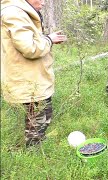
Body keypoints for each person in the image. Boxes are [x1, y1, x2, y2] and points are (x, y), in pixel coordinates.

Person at [1, 0, 67, 147]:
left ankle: (39, 145)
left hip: (35, 77)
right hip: (28, 80)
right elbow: (30, 48)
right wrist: (49, 39)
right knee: (37, 121)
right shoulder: (14, 13)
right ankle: (34, 154)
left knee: (44, 115)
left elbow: (29, 40)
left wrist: (47, 38)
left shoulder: (20, 12)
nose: (44, 3)